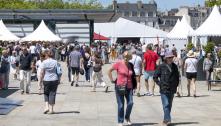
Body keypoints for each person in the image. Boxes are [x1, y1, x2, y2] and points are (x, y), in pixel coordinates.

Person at [108, 50, 137, 126]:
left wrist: (135, 86)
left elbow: (133, 75)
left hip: (129, 87)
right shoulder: (118, 63)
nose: (125, 58)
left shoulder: (131, 65)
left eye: (127, 57)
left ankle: (127, 117)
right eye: (124, 56)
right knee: (121, 105)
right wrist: (112, 80)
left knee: (130, 103)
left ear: (130, 58)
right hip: (120, 86)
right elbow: (109, 70)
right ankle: (120, 121)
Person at [153, 51, 180, 126]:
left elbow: (177, 77)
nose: (171, 59)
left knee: (170, 105)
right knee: (166, 104)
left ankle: (165, 120)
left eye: (171, 57)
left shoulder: (174, 66)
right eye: (169, 57)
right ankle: (168, 120)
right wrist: (160, 84)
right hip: (164, 88)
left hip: (172, 88)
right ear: (166, 58)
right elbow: (155, 77)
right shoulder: (161, 66)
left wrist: (176, 85)